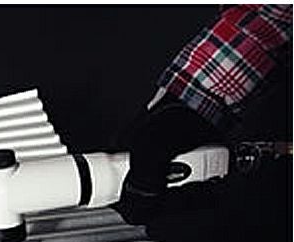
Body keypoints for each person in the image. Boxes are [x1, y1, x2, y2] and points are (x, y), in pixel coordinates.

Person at [112, 4, 292, 226]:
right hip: (190, 77)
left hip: (211, 90)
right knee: (126, 153)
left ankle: (155, 210)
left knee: (146, 161)